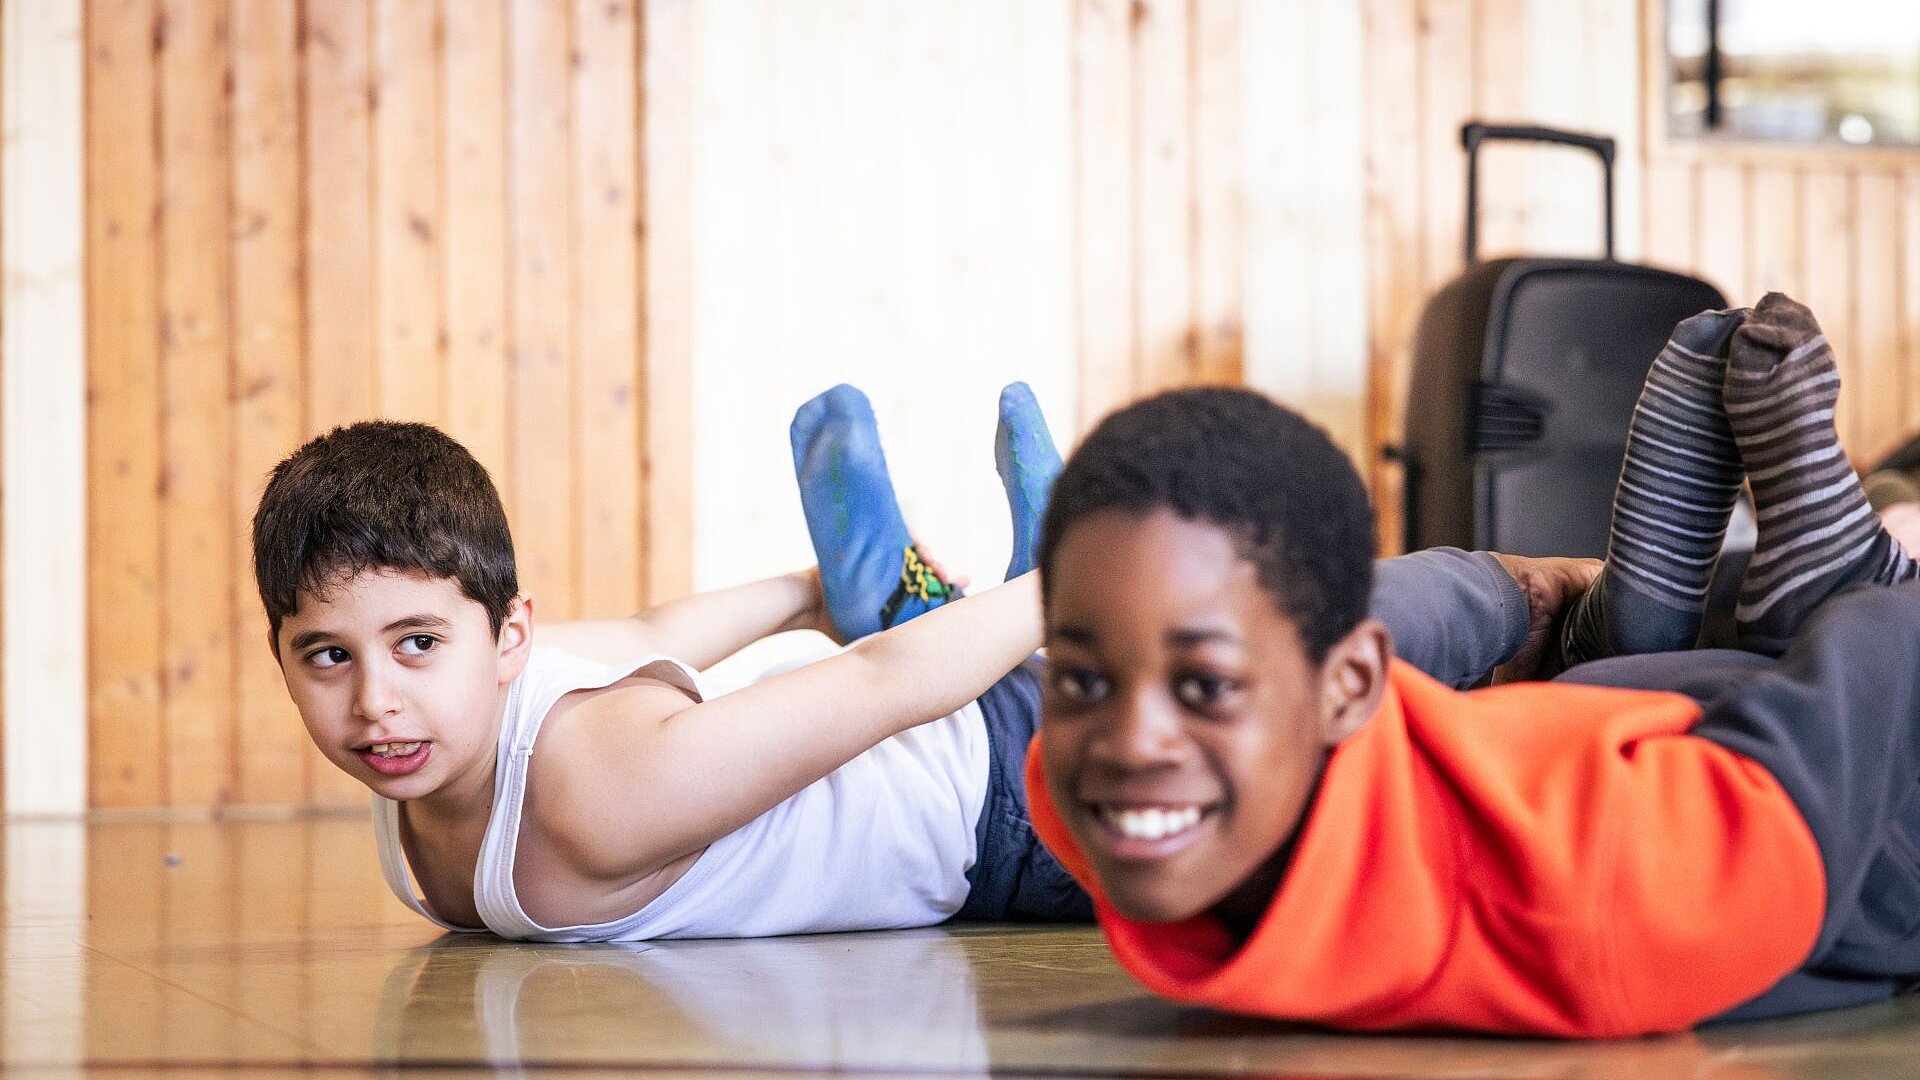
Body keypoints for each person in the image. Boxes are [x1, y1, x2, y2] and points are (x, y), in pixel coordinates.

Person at [252, 377, 1584, 942]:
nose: (376, 704)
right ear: (282, 653)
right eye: (326, 658)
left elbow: (857, 680)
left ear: (508, 636)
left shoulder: (578, 780)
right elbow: (692, 651)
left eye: (415, 644)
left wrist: (1071, 579)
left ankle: (1585, 589)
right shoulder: (470, 747)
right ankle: (924, 592)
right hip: (990, 775)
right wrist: (815, 599)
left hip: (989, 769)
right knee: (1361, 706)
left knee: (1324, 635)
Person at [1023, 293, 1920, 1038]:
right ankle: (1816, 595)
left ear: (1351, 689)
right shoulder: (1601, 910)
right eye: (1085, 679)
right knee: (1762, 685)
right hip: (1821, 830)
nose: (1130, 738)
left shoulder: (1108, 794)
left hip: (1698, 766)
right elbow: (1804, 776)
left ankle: (1766, 604)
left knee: (1641, 688)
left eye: (1204, 686)